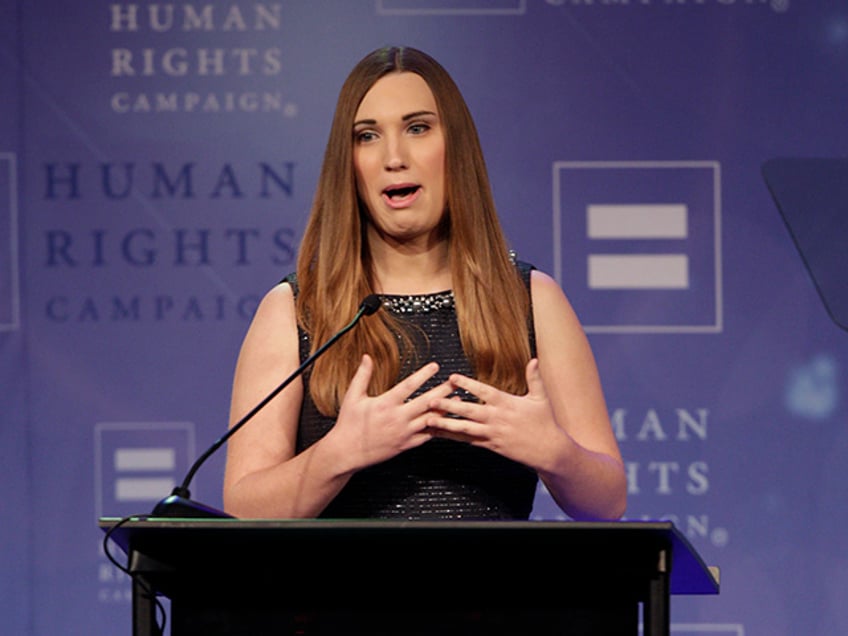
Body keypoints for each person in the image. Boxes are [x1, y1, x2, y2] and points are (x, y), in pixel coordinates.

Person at [222, 46, 626, 522]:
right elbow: (244, 508)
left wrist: (555, 453)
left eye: (418, 128)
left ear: (455, 147)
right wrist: (337, 455)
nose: (394, 157)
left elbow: (608, 503)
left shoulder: (532, 300)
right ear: (348, 164)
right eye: (367, 135)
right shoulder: (294, 311)